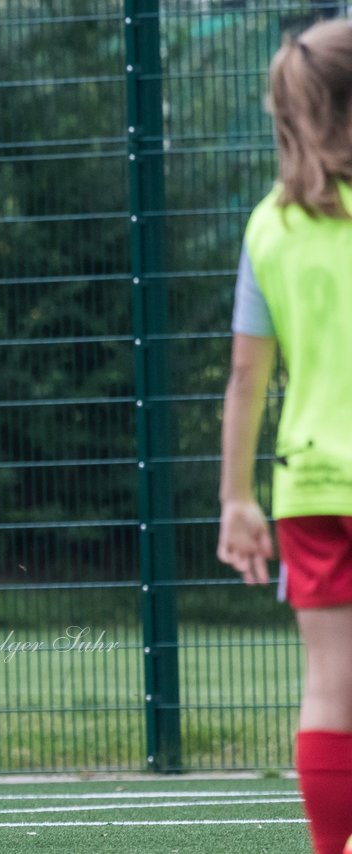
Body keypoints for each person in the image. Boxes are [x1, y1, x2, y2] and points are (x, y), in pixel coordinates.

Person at [217, 20, 352, 854]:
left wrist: (237, 497)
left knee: (330, 686)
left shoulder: (271, 225)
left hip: (309, 483)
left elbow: (246, 378)